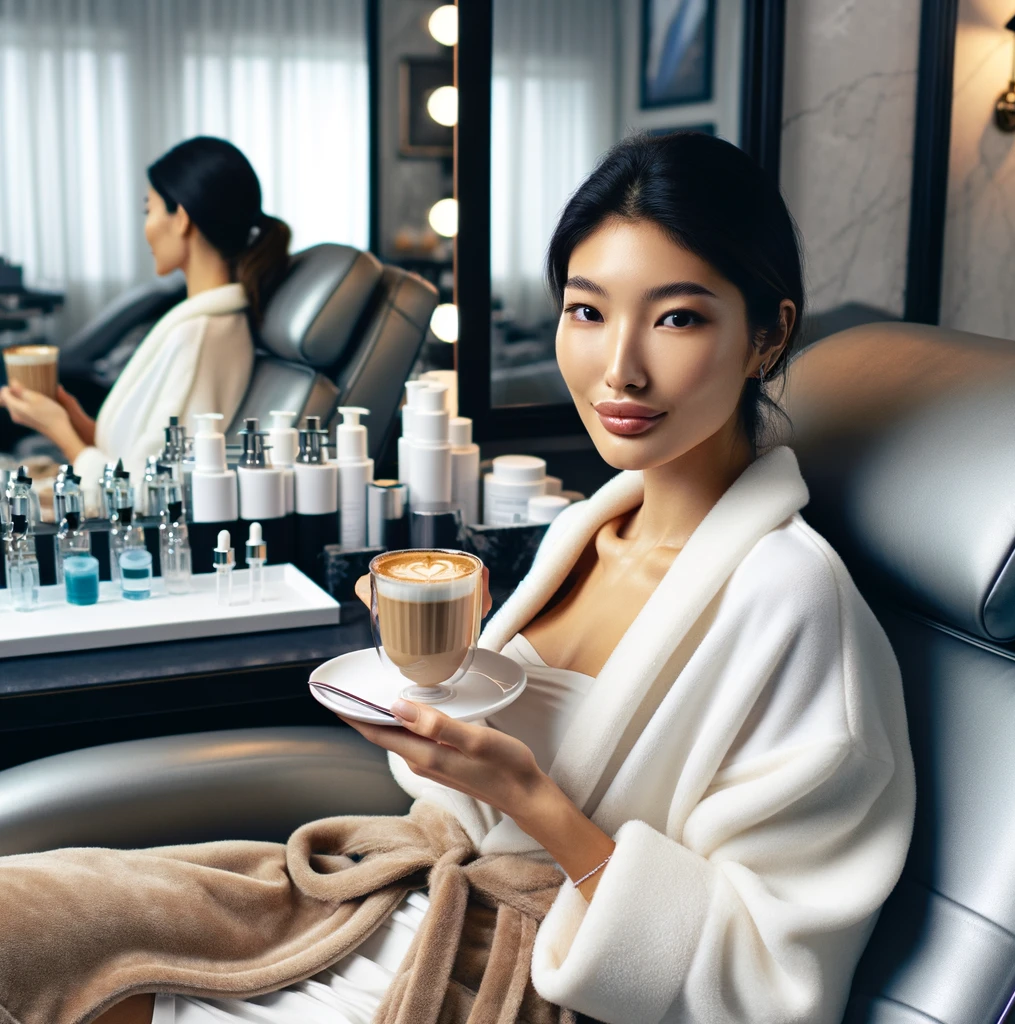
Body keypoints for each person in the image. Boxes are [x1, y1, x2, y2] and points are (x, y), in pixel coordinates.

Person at [0, 131, 915, 1024]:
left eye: (677, 317)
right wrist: (422, 686)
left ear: (768, 334)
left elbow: (771, 989)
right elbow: (482, 778)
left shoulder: (795, 606)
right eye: (587, 310)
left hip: (529, 978)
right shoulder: (584, 531)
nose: (619, 367)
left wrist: (530, 801)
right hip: (401, 899)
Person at [0, 136, 290, 508]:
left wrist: (58, 431)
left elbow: (143, 495)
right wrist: (73, 420)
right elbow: (137, 454)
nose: (146, 227)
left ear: (182, 218)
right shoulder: (199, 323)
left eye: (148, 210)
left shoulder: (202, 336)